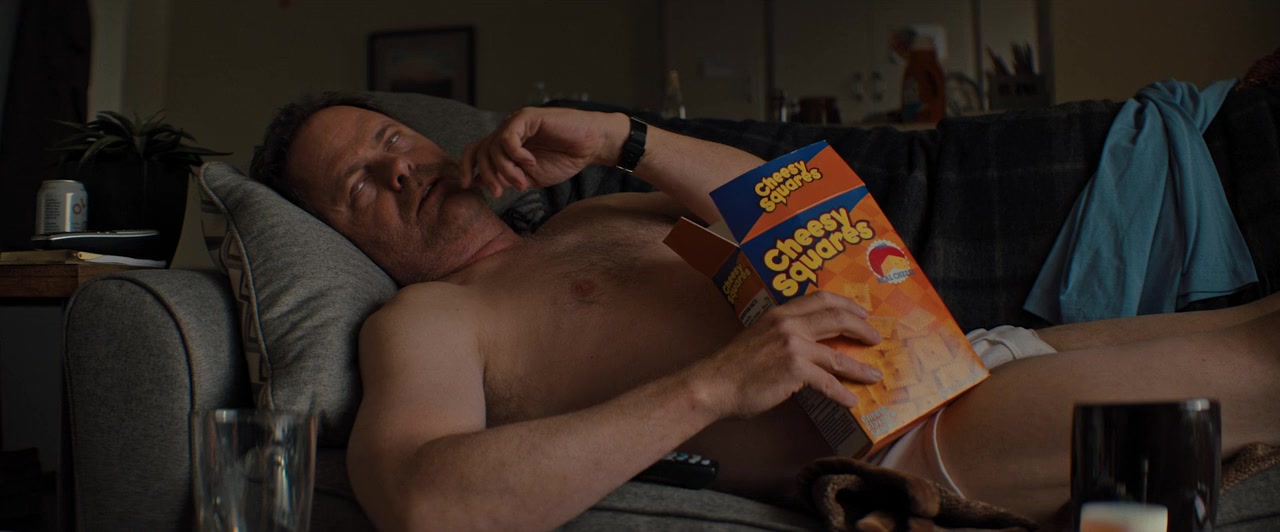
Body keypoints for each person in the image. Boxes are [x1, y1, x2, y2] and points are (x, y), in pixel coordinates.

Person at [250, 95, 1280, 530]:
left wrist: (620, 138)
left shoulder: (595, 213)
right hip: (917, 449)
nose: (400, 168)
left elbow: (794, 210)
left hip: (963, 360)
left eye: (392, 139)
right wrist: (712, 387)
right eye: (359, 185)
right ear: (339, 237)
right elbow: (426, 501)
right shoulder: (429, 319)